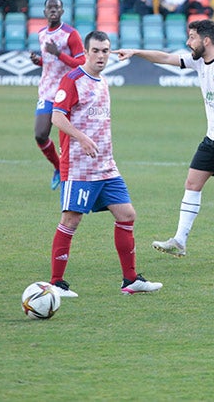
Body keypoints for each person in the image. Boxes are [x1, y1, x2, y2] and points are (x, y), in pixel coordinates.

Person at [47, 30, 162, 298]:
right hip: (79, 166)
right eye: (96, 50)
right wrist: (81, 138)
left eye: (105, 51)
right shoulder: (73, 79)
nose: (101, 56)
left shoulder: (102, 82)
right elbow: (57, 117)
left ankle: (130, 280)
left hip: (106, 166)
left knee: (127, 215)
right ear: (85, 53)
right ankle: (56, 283)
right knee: (71, 219)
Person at [114, 20, 214, 257]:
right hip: (212, 139)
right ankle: (179, 241)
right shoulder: (199, 61)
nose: (188, 43)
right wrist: (136, 52)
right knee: (192, 183)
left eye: (192, 38)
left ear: (206, 40)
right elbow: (165, 58)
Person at [30, 0, 85, 190]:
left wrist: (58, 54)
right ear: (44, 12)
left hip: (66, 92)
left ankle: (73, 178)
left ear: (62, 12)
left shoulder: (71, 34)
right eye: (49, 8)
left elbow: (82, 63)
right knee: (40, 134)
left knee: (68, 141)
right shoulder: (41, 33)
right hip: (46, 91)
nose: (53, 11)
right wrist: (40, 61)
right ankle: (58, 167)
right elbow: (51, 62)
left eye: (57, 8)